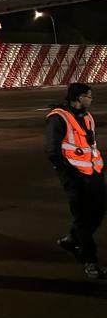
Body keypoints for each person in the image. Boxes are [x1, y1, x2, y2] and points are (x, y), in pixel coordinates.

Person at [45, 82, 107, 279]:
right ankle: (90, 262)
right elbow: (53, 151)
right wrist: (68, 174)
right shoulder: (58, 117)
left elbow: (90, 145)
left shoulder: (87, 117)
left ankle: (71, 239)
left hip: (93, 171)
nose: (91, 98)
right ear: (78, 97)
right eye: (88, 95)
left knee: (99, 210)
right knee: (82, 217)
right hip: (73, 176)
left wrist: (99, 168)